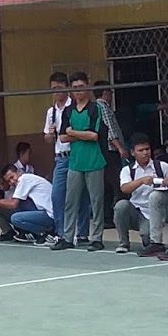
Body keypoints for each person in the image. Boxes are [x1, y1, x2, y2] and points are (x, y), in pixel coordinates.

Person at [56, 73, 108, 251]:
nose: (78, 91)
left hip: (94, 161)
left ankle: (97, 238)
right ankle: (68, 237)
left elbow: (94, 135)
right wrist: (79, 134)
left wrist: (73, 132)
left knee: (96, 201)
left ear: (88, 86)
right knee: (71, 201)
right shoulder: (68, 111)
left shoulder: (95, 108)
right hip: (75, 162)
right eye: (75, 87)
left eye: (81, 86)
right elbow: (62, 137)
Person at [114, 134, 168, 254]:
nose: (145, 153)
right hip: (135, 210)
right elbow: (125, 188)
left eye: (147, 149)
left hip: (154, 213)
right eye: (141, 150)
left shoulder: (162, 167)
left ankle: (148, 238)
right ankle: (123, 242)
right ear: (133, 152)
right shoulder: (127, 170)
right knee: (121, 206)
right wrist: (141, 181)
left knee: (148, 240)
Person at [43, 73, 72, 240]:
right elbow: (46, 138)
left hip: (74, 154)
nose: (57, 92)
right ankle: (61, 232)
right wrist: (51, 133)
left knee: (78, 196)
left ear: (66, 88)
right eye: (54, 89)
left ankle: (80, 233)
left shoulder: (73, 106)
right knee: (57, 194)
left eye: (60, 88)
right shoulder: (51, 111)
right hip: (59, 155)